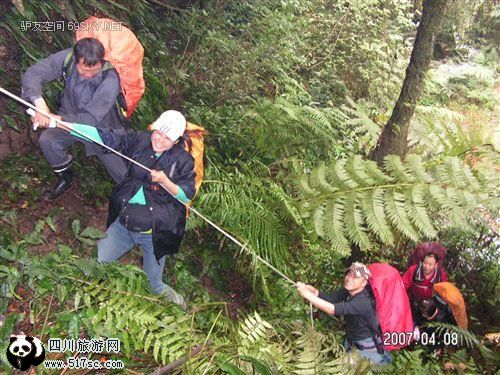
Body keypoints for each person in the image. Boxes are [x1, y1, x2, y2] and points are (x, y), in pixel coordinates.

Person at [21, 37, 127, 200]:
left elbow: (91, 119)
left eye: (94, 70)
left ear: (101, 61)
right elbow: (33, 73)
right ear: (76, 60)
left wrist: (54, 120)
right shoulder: (68, 58)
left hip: (101, 128)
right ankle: (66, 176)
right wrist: (39, 103)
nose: (89, 75)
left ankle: (140, 200)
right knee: (48, 141)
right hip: (67, 115)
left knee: (122, 174)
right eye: (84, 70)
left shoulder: (110, 78)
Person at [296, 262, 392, 365]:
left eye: (355, 277)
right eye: (349, 274)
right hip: (353, 340)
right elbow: (331, 298)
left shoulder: (363, 302)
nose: (349, 279)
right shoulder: (350, 291)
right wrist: (315, 292)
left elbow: (332, 309)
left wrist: (307, 295)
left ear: (364, 283)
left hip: (366, 346)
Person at [403, 251, 448, 324]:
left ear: (436, 265)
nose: (426, 266)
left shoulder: (440, 276)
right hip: (413, 303)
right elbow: (403, 287)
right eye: (425, 263)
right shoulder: (413, 270)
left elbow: (444, 294)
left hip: (429, 308)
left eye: (430, 264)